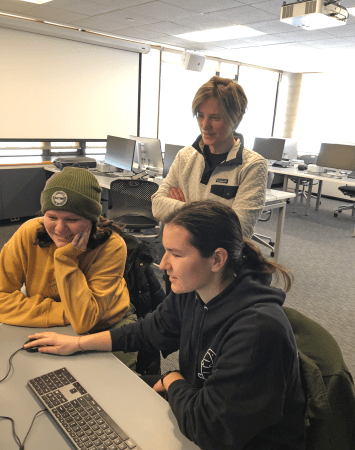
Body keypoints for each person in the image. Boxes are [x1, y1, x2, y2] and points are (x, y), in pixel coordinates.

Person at [25, 200, 306, 450]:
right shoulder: (195, 291)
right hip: (200, 403)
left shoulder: (257, 330)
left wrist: (172, 380)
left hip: (234, 437)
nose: (162, 264)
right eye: (164, 251)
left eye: (177, 254)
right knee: (95, 395)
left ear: (217, 259)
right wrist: (78, 343)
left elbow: (212, 431)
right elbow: (146, 332)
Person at [0, 166, 137, 369]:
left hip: (106, 325)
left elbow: (84, 320)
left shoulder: (111, 246)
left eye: (72, 219)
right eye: (51, 217)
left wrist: (66, 260)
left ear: (92, 220)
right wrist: (64, 314)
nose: (59, 229)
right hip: (53, 322)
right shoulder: (29, 232)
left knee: (113, 389)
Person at [151, 76, 268, 240]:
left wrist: (181, 208)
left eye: (215, 117)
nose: (204, 126)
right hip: (177, 255)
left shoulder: (252, 166)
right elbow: (157, 205)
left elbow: (237, 231)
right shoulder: (185, 157)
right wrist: (214, 216)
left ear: (237, 117)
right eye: (200, 115)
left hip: (218, 262)